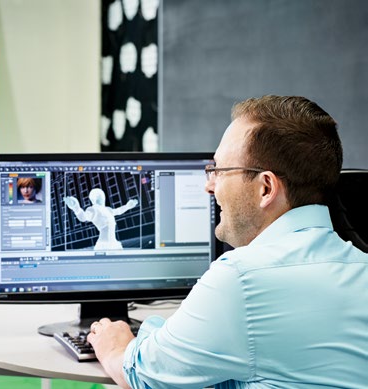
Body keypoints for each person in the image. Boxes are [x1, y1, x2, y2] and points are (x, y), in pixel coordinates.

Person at [87, 95, 368, 388]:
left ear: (266, 188)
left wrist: (115, 346)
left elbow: (144, 374)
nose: (209, 185)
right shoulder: (363, 269)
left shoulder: (241, 278)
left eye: (219, 171)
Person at [65, 188, 138, 250]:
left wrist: (127, 206)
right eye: (100, 195)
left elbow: (118, 211)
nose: (102, 196)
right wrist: (76, 208)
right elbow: (83, 217)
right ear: (94, 198)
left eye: (102, 194)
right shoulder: (93, 209)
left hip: (114, 244)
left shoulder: (108, 209)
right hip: (103, 245)